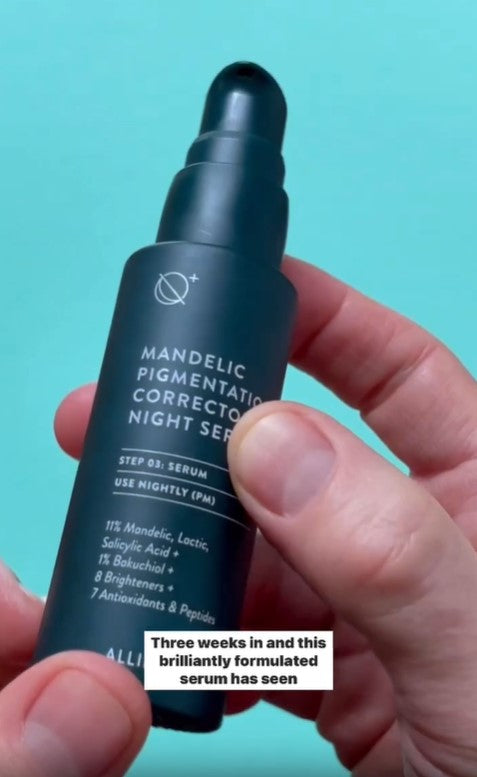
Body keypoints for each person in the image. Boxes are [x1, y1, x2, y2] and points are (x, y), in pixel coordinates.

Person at [2, 255, 476, 777]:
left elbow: (330, 666)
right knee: (318, 664)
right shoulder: (159, 274)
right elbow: (324, 665)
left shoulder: (263, 299)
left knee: (320, 665)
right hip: (189, 663)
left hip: (191, 667)